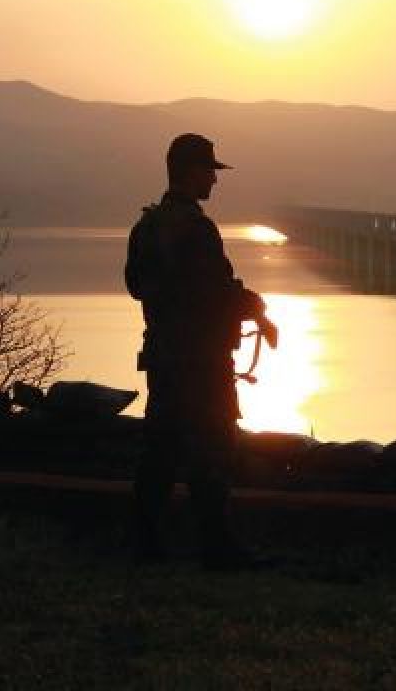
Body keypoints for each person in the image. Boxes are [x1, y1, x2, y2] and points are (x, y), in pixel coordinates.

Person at [124, 133, 274, 571]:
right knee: (213, 449)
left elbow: (136, 286)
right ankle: (217, 547)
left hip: (165, 356)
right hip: (202, 360)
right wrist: (255, 306)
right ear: (190, 172)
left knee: (161, 450)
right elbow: (216, 290)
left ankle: (146, 543)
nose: (214, 179)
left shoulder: (147, 226)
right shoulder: (196, 228)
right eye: (210, 170)